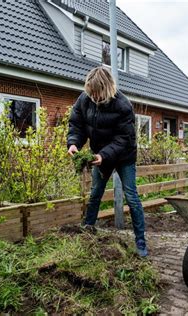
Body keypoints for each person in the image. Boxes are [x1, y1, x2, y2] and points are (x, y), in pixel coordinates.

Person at [67, 66, 148, 257]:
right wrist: (73, 143)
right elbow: (76, 125)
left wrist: (104, 155)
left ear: (106, 88)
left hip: (123, 156)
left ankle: (141, 242)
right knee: (95, 193)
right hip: (99, 156)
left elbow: (123, 139)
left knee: (131, 196)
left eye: (97, 93)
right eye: (91, 93)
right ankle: (87, 232)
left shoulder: (123, 105)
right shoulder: (84, 99)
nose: (94, 97)